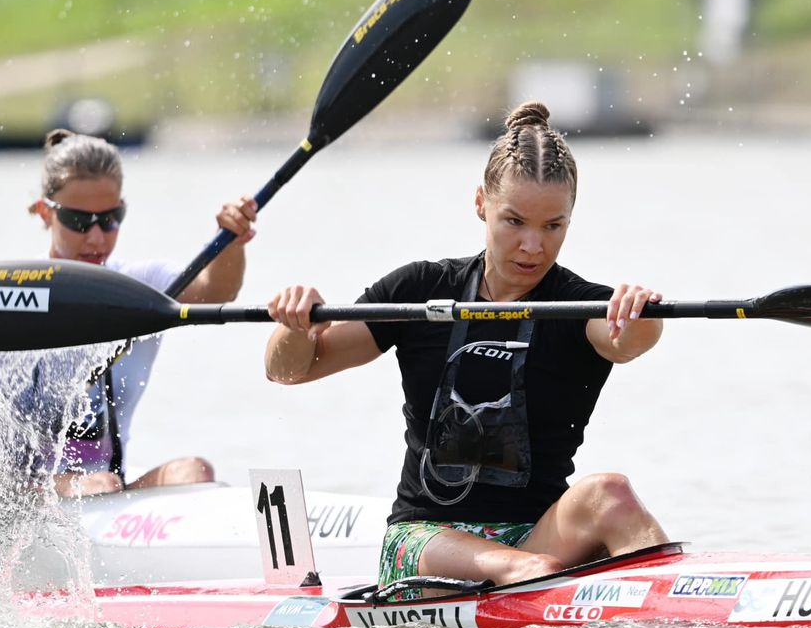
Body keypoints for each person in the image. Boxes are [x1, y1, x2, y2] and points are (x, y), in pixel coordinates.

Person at [264, 101, 669, 594]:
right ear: (481, 203)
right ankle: (527, 581)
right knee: (527, 569)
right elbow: (289, 370)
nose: (532, 247)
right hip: (425, 543)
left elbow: (628, 342)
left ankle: (679, 609)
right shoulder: (419, 289)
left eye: (552, 227)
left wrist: (638, 311)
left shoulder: (580, 305)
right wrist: (293, 325)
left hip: (534, 541)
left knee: (612, 493)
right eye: (514, 221)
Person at [30, 129, 257, 498]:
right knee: (99, 483)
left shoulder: (141, 287)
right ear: (45, 212)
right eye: (78, 221)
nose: (96, 238)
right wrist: (68, 484)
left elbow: (217, 292)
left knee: (194, 471)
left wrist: (230, 240)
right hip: (22, 491)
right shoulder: (15, 293)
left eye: (110, 218)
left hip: (107, 486)